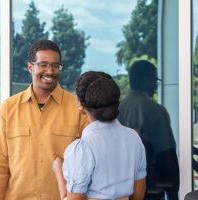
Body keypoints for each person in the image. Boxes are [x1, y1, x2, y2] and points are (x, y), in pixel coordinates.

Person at [0, 40, 88, 200]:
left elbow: (89, 165)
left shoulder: (78, 109)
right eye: (43, 64)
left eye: (55, 65)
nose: (50, 71)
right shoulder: (7, 110)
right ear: (30, 67)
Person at [52, 71, 146, 200]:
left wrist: (59, 172)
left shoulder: (82, 148)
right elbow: (138, 196)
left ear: (80, 104)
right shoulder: (133, 138)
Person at [118, 60, 180, 200]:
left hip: (118, 188)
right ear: (146, 80)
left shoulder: (115, 110)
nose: (156, 85)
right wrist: (173, 192)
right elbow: (166, 154)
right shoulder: (155, 111)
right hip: (149, 189)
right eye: (155, 79)